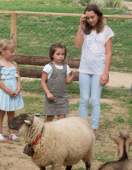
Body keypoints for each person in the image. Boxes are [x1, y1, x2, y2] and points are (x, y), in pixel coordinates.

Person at [74, 4, 114, 142]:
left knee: (95, 101)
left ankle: (93, 131)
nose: (90, 20)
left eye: (93, 17)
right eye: (88, 18)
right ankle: (81, 130)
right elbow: (77, 45)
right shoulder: (84, 30)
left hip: (98, 71)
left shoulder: (106, 31)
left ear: (98, 16)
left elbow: (108, 53)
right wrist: (80, 25)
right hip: (84, 69)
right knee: (84, 100)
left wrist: (105, 73)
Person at [0, 39, 24, 143]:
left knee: (12, 113)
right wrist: (8, 91)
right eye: (11, 52)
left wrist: (18, 89)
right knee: (1, 113)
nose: (13, 54)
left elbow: (18, 78)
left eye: (13, 51)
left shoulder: (14, 64)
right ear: (3, 52)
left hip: (13, 93)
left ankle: (11, 133)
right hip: (4, 93)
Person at [41, 43, 77, 122]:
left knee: (62, 118)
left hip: (62, 97)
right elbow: (43, 81)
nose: (61, 56)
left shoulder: (66, 67)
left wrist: (72, 77)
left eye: (62, 54)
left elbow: (67, 82)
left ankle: (59, 134)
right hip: (51, 97)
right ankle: (42, 132)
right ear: (52, 55)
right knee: (50, 117)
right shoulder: (48, 67)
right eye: (58, 54)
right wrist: (48, 93)